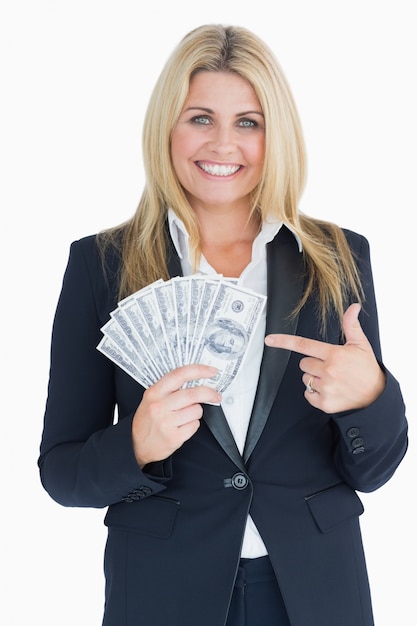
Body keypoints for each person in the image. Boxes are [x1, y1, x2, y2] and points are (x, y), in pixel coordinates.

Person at [38, 24, 408, 626]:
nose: (222, 144)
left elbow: (375, 471)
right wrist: (135, 444)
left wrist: (370, 398)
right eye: (200, 117)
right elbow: (61, 470)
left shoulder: (339, 256)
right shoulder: (100, 264)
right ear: (168, 127)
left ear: (275, 134)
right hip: (163, 589)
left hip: (313, 589)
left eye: (248, 122)